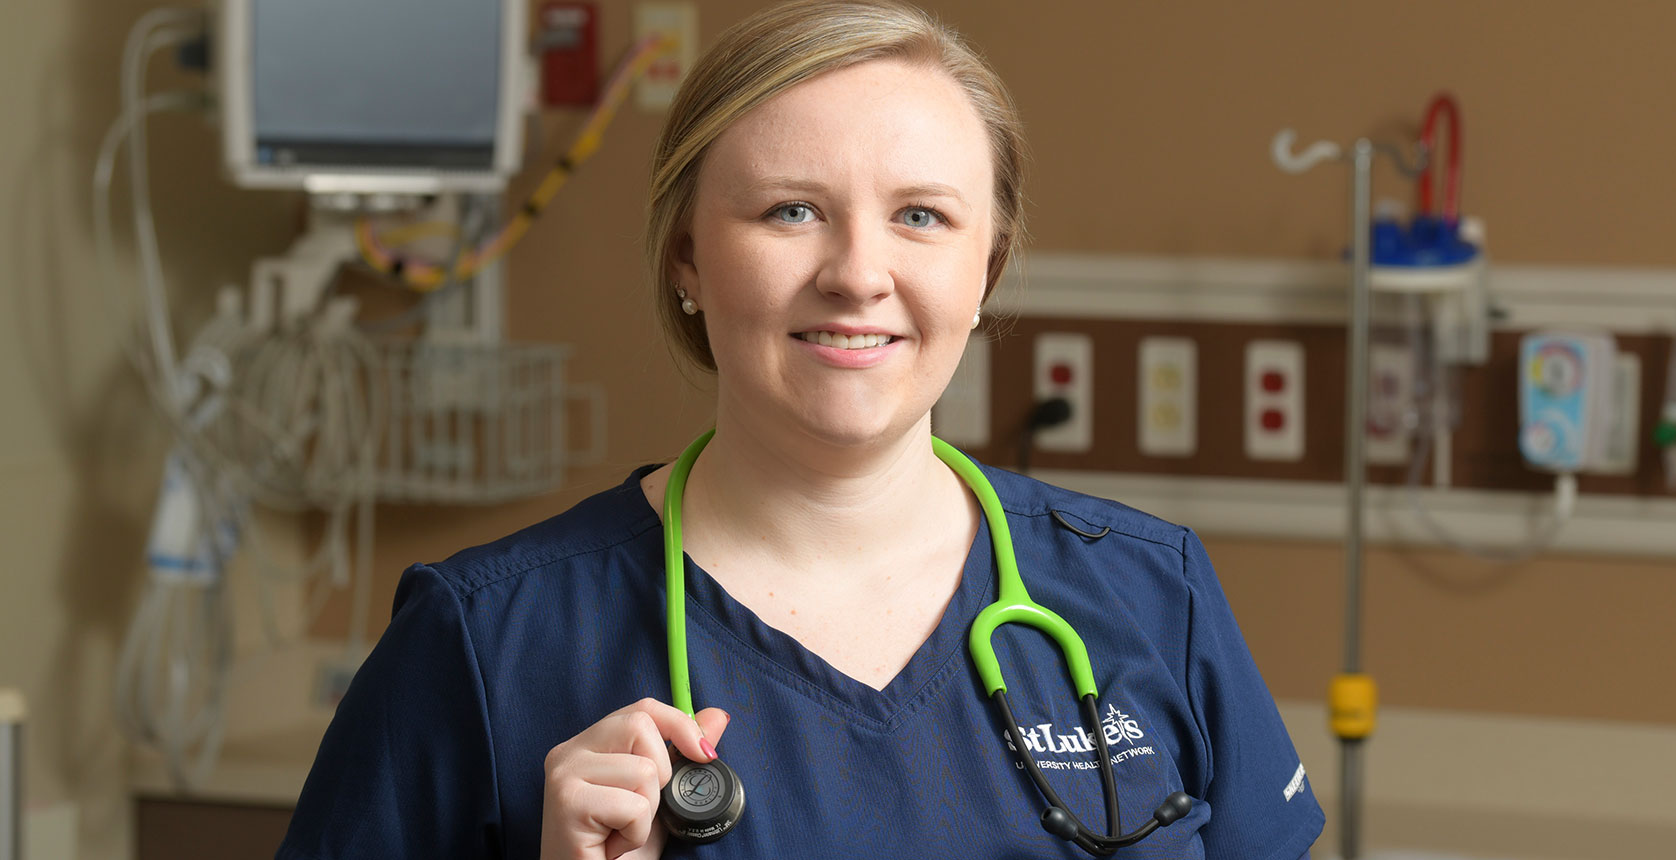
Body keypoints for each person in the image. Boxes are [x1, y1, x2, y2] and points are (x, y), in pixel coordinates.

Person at [275, 1, 1323, 857]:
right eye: (789, 211)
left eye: (921, 215)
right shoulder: (486, 641)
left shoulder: (1149, 595)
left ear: (985, 269)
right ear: (686, 258)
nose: (857, 273)